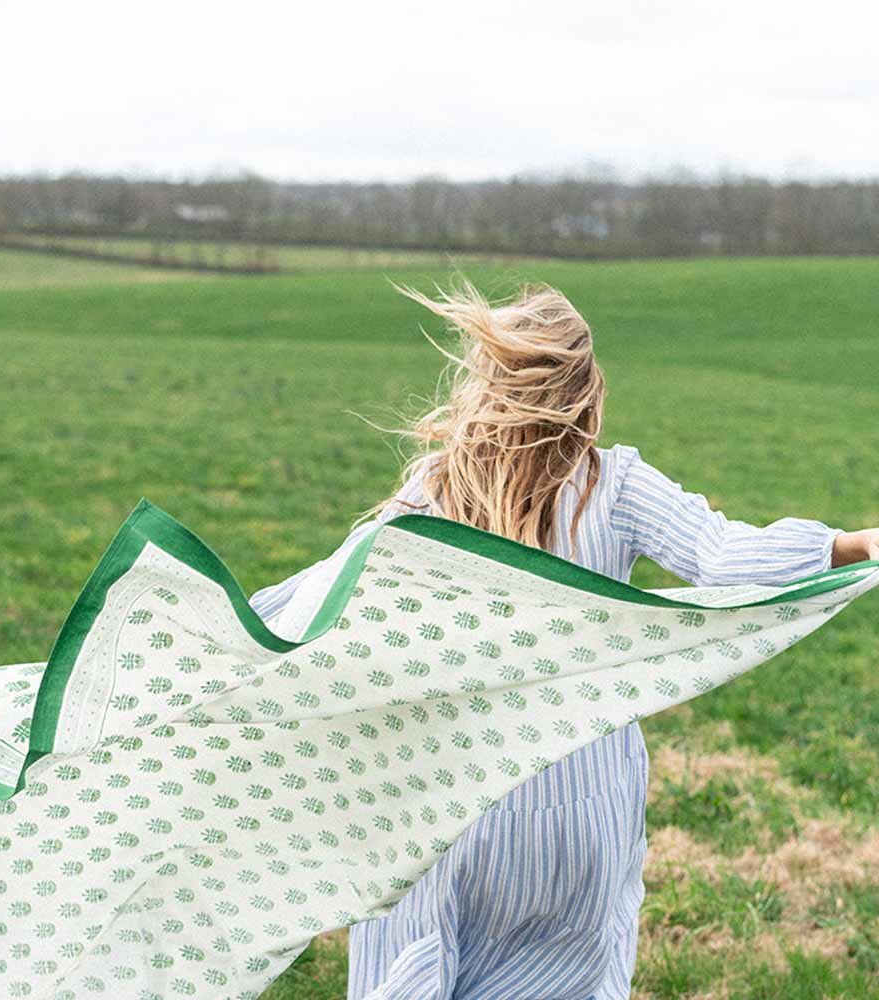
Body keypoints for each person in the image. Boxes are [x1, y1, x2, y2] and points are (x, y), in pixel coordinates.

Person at [248, 277, 878, 1000]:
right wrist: (854, 544)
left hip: (460, 808)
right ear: (587, 389)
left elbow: (323, 599)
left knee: (411, 969)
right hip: (585, 813)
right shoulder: (616, 486)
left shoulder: (434, 495)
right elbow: (726, 558)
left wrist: (231, 633)